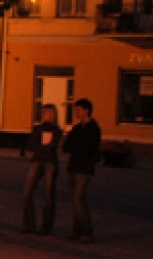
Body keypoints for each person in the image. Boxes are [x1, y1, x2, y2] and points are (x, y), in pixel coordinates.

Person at [62, 98, 101, 244]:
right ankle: (77, 230)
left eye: (79, 109)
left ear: (87, 110)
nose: (76, 112)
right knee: (75, 199)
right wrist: (77, 146)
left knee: (79, 198)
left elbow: (88, 148)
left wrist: (77, 146)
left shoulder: (93, 128)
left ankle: (86, 232)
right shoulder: (77, 128)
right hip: (73, 166)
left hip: (84, 168)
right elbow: (67, 146)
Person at [22, 104, 62, 235]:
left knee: (49, 195)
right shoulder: (38, 128)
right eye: (42, 112)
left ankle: (46, 226)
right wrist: (41, 147)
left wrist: (40, 147)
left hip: (50, 162)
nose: (43, 115)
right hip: (37, 160)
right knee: (27, 192)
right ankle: (29, 224)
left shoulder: (56, 130)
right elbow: (30, 145)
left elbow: (51, 146)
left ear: (52, 114)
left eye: (45, 112)